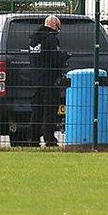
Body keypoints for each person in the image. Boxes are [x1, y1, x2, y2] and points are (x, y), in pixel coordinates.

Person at [29, 15, 67, 147]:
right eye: (58, 27)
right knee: (50, 111)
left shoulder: (34, 39)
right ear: (55, 26)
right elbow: (54, 59)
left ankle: (33, 139)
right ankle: (49, 138)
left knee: (36, 111)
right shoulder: (51, 39)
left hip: (36, 80)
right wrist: (63, 57)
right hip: (49, 81)